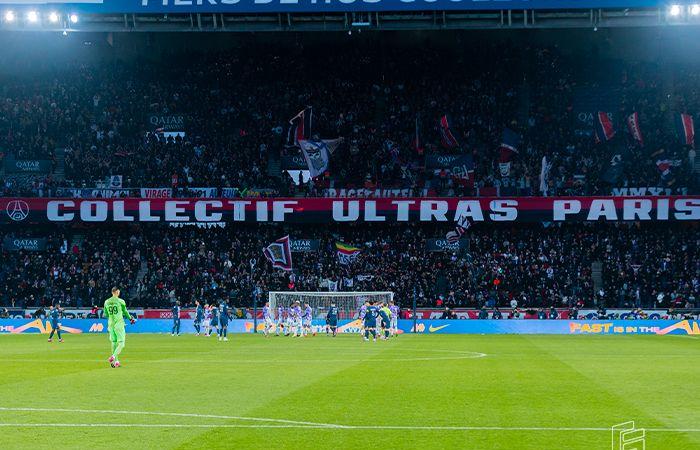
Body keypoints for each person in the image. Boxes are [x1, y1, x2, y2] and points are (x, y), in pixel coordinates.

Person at [103, 287, 135, 368]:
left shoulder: (106, 302)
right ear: (117, 292)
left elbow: (105, 314)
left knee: (114, 342)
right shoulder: (121, 301)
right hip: (119, 324)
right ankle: (113, 357)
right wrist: (130, 318)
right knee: (121, 343)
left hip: (111, 324)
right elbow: (125, 311)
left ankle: (116, 362)